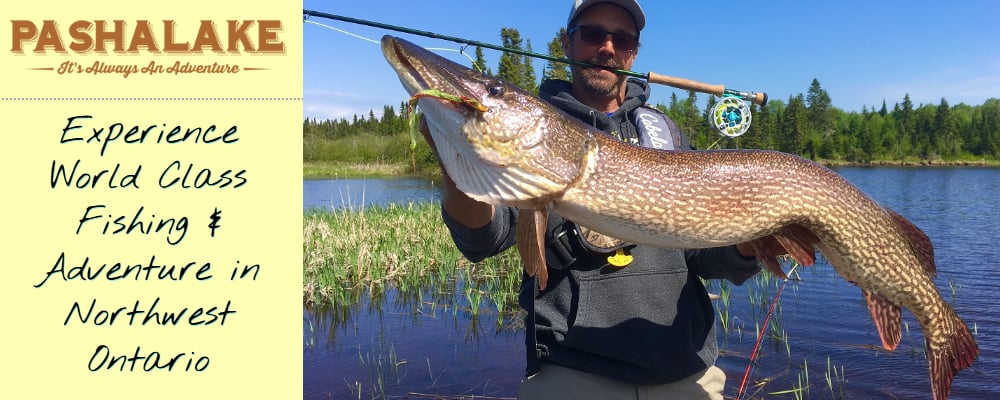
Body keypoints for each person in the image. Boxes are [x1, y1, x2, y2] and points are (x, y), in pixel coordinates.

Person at [422, 1, 786, 398]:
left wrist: (751, 246)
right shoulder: (535, 129)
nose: (608, 48)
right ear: (567, 42)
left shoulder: (664, 133)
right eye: (594, 34)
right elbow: (482, 239)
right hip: (573, 372)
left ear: (634, 52)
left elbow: (705, 257)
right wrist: (454, 162)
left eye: (623, 39)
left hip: (685, 373)